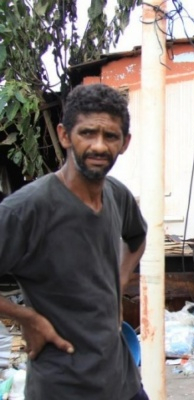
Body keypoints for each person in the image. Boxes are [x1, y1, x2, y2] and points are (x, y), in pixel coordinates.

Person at [0, 84, 149, 399]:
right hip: (62, 385)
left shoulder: (117, 195)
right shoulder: (25, 210)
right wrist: (26, 317)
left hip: (122, 380)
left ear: (125, 143)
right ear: (65, 135)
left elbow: (137, 238)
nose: (99, 146)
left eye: (110, 136)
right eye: (87, 133)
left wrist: (117, 287)